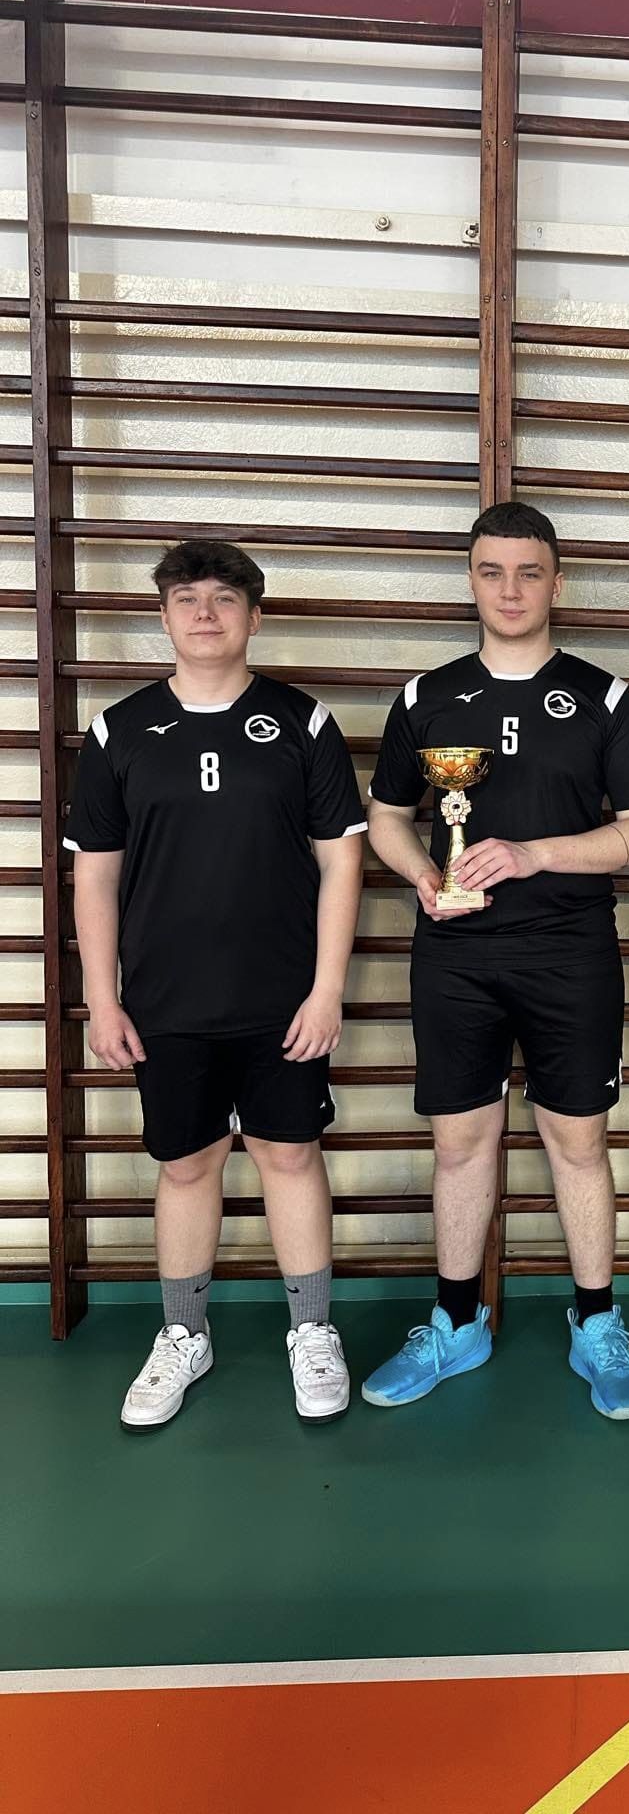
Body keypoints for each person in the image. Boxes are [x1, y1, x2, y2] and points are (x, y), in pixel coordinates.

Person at [361, 501, 629, 1420]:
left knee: (578, 1143)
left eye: (529, 572)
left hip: (570, 952)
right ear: (471, 579)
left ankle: (597, 1323)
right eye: (492, 571)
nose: (510, 589)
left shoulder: (603, 698)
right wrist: (423, 873)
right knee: (460, 1144)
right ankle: (457, 1324)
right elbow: (387, 818)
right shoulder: (426, 697)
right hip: (454, 954)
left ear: (556, 583)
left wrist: (536, 854)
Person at [69, 540, 366, 1428]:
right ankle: (183, 1334)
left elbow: (342, 862)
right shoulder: (120, 731)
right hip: (166, 1000)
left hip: (282, 996)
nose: (205, 612)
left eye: (225, 598)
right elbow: (95, 877)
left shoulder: (303, 723)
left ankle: (311, 1329)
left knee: (290, 1154)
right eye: (187, 598)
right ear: (162, 616)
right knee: (186, 1163)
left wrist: (327, 989)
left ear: (254, 617)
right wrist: (103, 998)